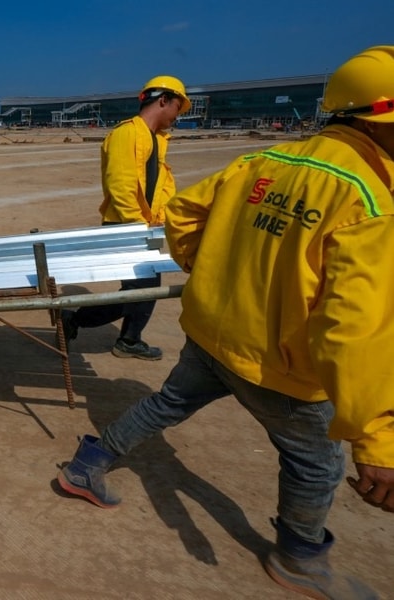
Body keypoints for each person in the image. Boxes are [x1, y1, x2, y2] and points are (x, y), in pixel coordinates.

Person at [57, 47, 394, 599]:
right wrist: (379, 440)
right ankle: (301, 558)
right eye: (177, 105)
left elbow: (184, 210)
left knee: (167, 402)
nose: (180, 113)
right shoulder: (368, 200)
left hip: (214, 329)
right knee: (315, 463)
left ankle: (88, 462)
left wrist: (202, 269)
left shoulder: (265, 161)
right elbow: (353, 327)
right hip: (279, 362)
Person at [60, 76, 191, 360]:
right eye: (177, 108)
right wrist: (136, 229)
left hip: (144, 226)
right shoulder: (127, 134)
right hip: (126, 226)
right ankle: (80, 322)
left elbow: (155, 188)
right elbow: (120, 186)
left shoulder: (154, 139)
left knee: (142, 289)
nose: (177, 117)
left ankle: (125, 337)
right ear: (163, 100)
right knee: (140, 291)